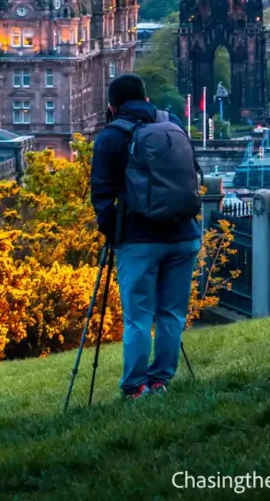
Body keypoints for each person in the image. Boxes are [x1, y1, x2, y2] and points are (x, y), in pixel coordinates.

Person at [91, 74, 201, 399]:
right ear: (146, 99)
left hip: (139, 240)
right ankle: (160, 381)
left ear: (112, 107)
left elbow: (101, 195)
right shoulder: (173, 124)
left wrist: (113, 234)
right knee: (171, 312)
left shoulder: (110, 136)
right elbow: (192, 171)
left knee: (138, 317)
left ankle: (135, 387)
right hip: (184, 234)